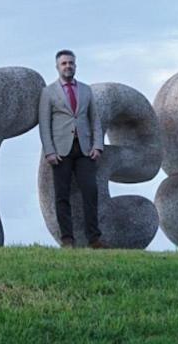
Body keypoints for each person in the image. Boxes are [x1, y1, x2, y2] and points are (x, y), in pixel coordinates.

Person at [39, 48, 103, 248]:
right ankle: (67, 238)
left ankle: (94, 238)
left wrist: (98, 145)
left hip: (84, 149)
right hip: (60, 151)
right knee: (62, 195)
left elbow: (95, 119)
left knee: (91, 191)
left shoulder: (86, 90)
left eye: (71, 63)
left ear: (75, 65)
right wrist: (49, 151)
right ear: (57, 67)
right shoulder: (48, 92)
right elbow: (44, 123)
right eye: (64, 63)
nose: (68, 66)